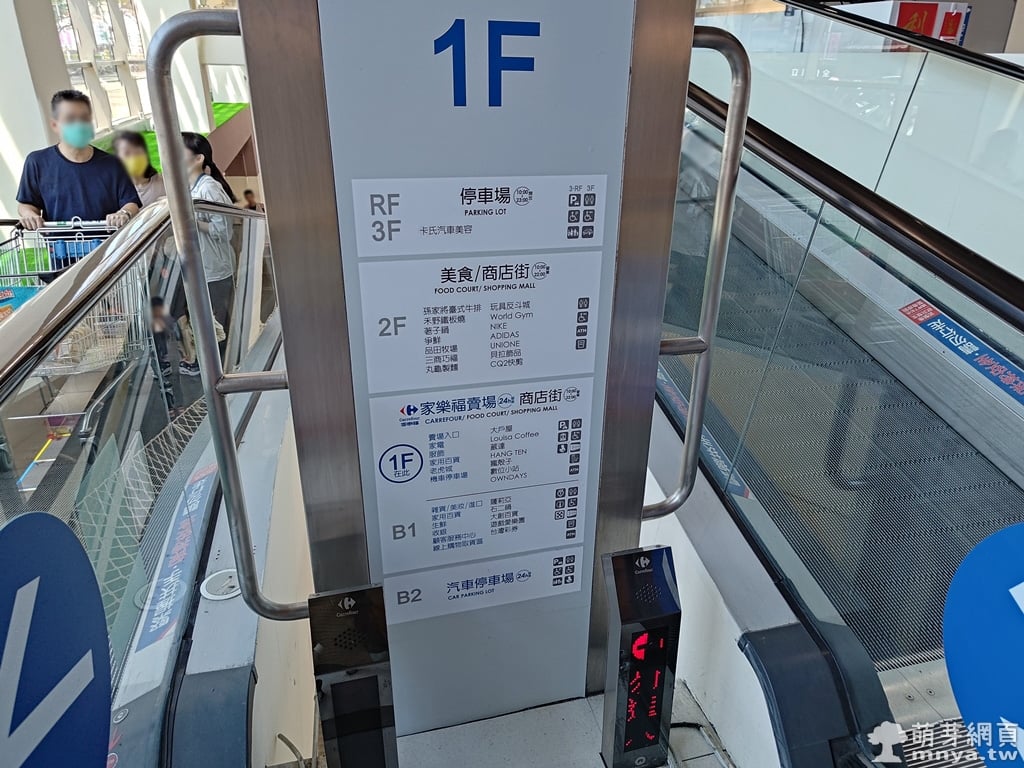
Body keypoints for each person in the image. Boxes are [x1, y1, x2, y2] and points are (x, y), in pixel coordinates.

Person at [16, 90, 140, 230]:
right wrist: (29, 214)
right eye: (70, 119)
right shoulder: (37, 162)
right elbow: (26, 203)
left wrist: (123, 213)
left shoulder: (113, 164)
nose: (79, 125)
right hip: (60, 243)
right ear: (55, 125)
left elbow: (131, 203)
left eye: (84, 118)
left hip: (108, 241)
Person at [178, 132, 237, 376]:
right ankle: (212, 366)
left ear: (198, 158)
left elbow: (223, 230)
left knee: (216, 323)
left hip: (215, 268)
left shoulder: (210, 188)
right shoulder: (190, 188)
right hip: (202, 266)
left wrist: (191, 222)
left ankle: (219, 369)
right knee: (208, 319)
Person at [113, 130, 165, 207]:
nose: (134, 158)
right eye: (127, 153)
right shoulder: (118, 195)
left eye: (138, 152)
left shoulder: (164, 183)